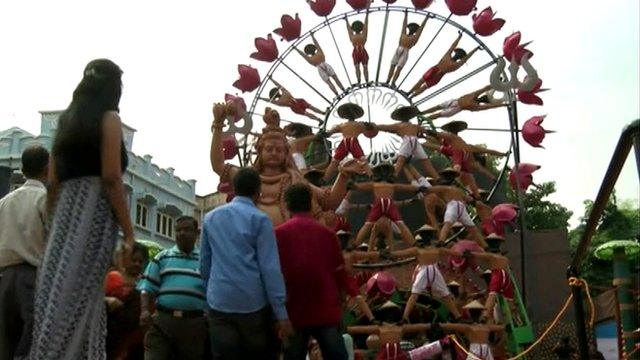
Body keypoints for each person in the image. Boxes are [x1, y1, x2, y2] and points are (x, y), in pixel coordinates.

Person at [29, 59, 135, 359]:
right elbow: (112, 177)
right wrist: (129, 232)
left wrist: (53, 227)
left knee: (57, 297)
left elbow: (53, 183)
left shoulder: (65, 123)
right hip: (94, 213)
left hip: (64, 216)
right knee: (84, 299)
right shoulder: (109, 118)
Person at [200, 168, 293, 360]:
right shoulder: (261, 220)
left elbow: (204, 264)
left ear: (234, 188)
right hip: (253, 304)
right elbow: (270, 269)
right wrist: (281, 313)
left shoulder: (211, 218)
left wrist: (210, 295)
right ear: (258, 191)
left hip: (219, 301)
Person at [275, 183, 351, 360]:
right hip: (326, 308)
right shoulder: (327, 234)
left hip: (294, 309)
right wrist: (343, 297)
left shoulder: (278, 234)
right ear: (310, 203)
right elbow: (339, 271)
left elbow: (273, 274)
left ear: (286, 205)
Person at [0, 145, 49, 359]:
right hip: (34, 275)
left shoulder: (5, 201)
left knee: (4, 341)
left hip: (5, 277)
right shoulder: (45, 199)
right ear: (48, 168)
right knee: (29, 341)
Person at [137, 216, 207, 360]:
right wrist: (144, 310)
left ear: (196, 233)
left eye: (187, 230)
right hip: (163, 323)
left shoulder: (205, 260)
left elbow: (213, 291)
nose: (182, 233)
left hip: (194, 325)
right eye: (178, 230)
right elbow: (146, 287)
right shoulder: (162, 257)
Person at [105, 242, 148, 359]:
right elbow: (96, 301)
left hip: (135, 345)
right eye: (134, 260)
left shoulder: (145, 284)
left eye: (140, 261)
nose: (137, 264)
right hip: (111, 339)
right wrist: (108, 300)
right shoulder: (112, 277)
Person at [407, 32, 479, 97]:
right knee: (421, 82)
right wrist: (459, 37)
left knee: (423, 86)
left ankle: (411, 95)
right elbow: (453, 47)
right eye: (457, 54)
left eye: (458, 54)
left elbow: (464, 58)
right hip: (435, 70)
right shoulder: (449, 58)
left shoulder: (454, 64)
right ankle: (409, 93)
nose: (456, 55)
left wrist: (475, 49)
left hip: (438, 74)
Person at [387, 9, 428, 86]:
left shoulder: (415, 37)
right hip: (399, 49)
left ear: (415, 30)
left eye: (413, 28)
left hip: (405, 51)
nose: (411, 29)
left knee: (399, 68)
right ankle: (388, 80)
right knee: (392, 65)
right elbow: (404, 25)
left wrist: (426, 18)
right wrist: (406, 14)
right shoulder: (404, 34)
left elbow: (421, 29)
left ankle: (393, 82)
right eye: (410, 27)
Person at [421, 85, 506, 120]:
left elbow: (488, 106)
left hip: (456, 108)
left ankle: (425, 118)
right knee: (438, 108)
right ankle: (422, 113)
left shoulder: (476, 105)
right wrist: (496, 84)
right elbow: (484, 89)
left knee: (439, 113)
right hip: (455, 102)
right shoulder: (474, 98)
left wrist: (502, 105)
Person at [261, 79, 326, 122]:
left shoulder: (280, 100)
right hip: (296, 104)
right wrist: (271, 79)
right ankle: (321, 115)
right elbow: (278, 86)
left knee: (309, 110)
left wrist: (261, 98)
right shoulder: (283, 94)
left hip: (296, 104)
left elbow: (270, 100)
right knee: (309, 110)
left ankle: (321, 117)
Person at [345, 3, 371, 84]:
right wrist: (346, 20)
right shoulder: (360, 36)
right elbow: (349, 29)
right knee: (360, 67)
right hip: (359, 52)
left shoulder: (357, 36)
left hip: (359, 52)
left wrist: (346, 20)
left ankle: (364, 81)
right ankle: (361, 81)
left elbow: (365, 25)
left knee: (362, 67)